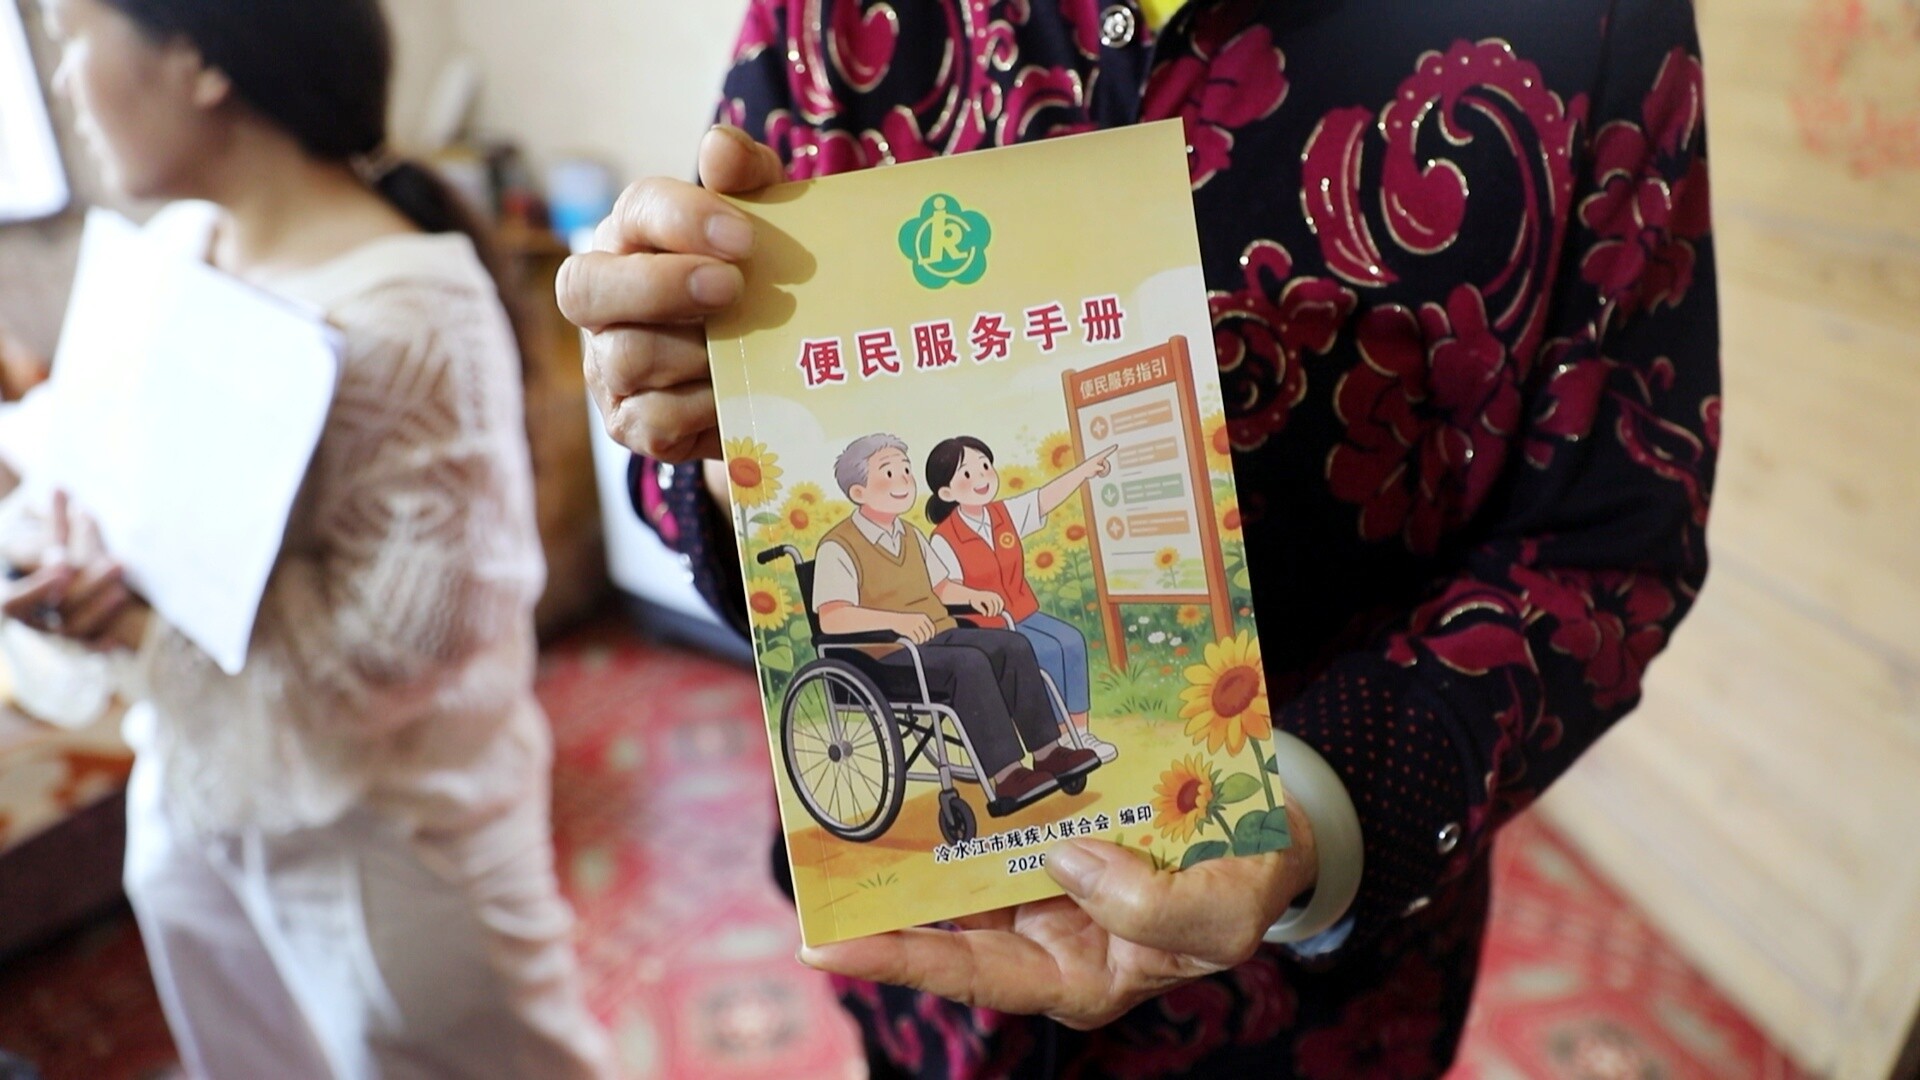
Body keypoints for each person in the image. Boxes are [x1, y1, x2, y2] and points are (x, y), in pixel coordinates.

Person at [562, 0, 1719, 1074]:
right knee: (984, 653)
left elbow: (1610, 543)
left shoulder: (1590, 28)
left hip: (1313, 1009)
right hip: (920, 951)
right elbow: (761, 524)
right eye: (910, 474)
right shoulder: (831, 29)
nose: (923, 481)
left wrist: (1311, 814)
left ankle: (1046, 757)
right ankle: (1019, 767)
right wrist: (708, 439)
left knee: (1034, 646)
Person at [0, 1, 615, 1076]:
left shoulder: (409, 315)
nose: (62, 81)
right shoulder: (180, 247)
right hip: (203, 803)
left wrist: (137, 624)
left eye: (73, 38)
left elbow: (403, 645)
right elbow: (98, 471)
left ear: (197, 59)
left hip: (388, 849)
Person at [814, 434, 1100, 813]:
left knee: (1012, 645)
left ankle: (1049, 752)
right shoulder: (838, 546)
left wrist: (972, 596)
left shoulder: (911, 535)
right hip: (885, 655)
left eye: (906, 471)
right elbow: (832, 617)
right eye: (890, 474)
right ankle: (1007, 775)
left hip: (936, 635)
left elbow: (942, 587)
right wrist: (897, 622)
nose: (904, 481)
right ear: (858, 492)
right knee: (969, 664)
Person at [924, 436, 1118, 762]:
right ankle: (1060, 734)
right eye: (967, 474)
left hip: (1023, 611)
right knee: (1045, 651)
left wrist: (1084, 471)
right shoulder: (944, 537)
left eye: (985, 467)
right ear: (947, 493)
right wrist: (974, 596)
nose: (982, 478)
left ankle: (1080, 732)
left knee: (1071, 641)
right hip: (984, 624)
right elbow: (943, 589)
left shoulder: (1004, 513)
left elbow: (1044, 498)